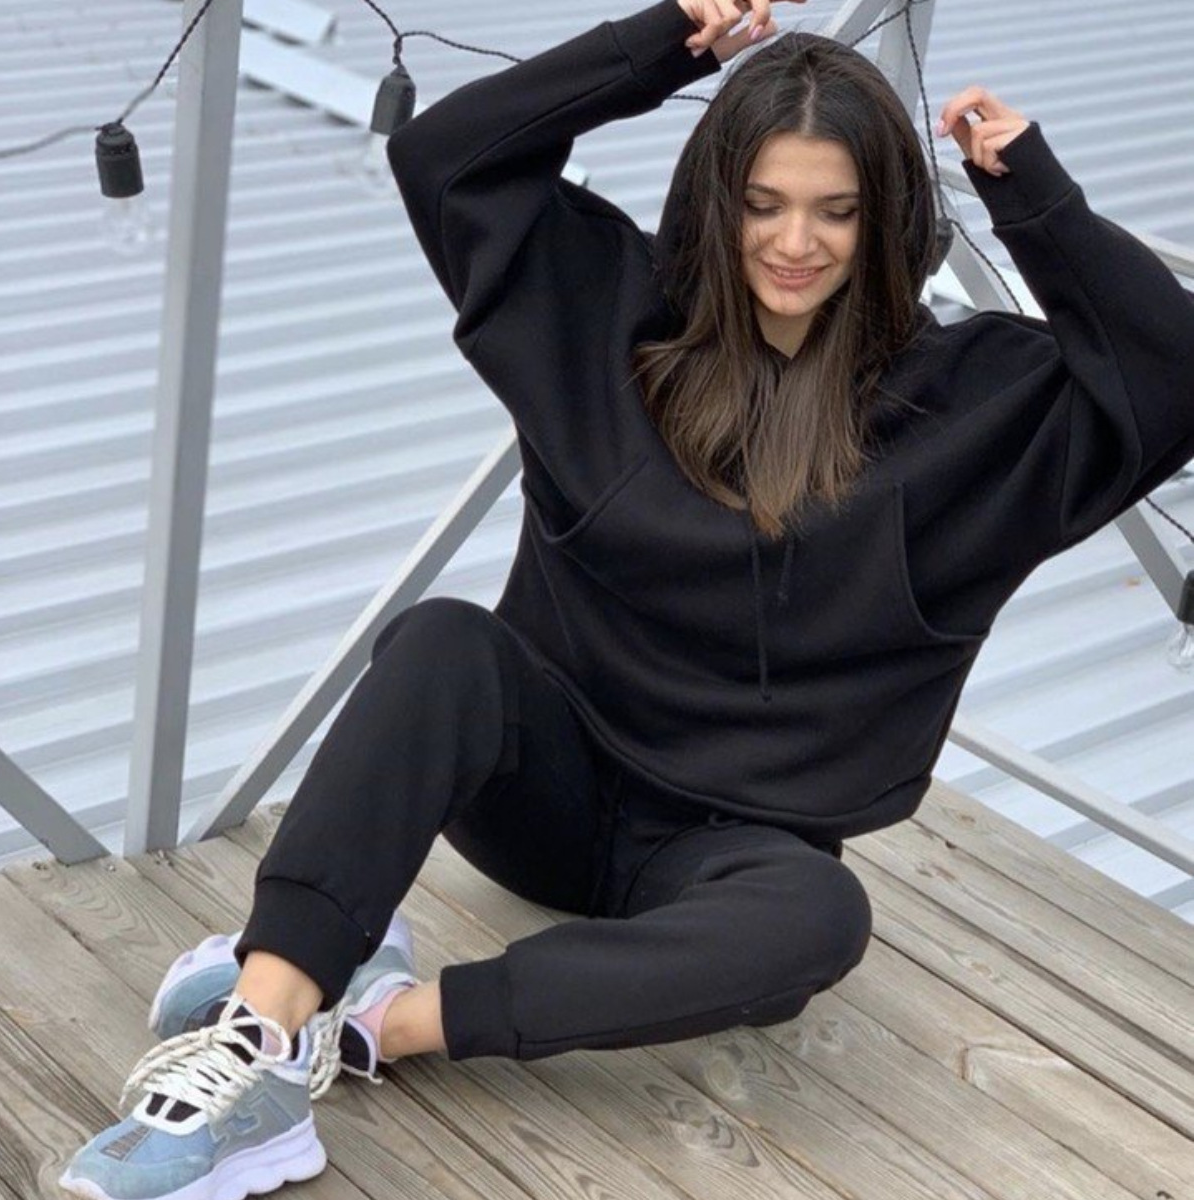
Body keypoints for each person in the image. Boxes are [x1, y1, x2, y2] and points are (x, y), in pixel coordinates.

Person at [61, 0, 1194, 1196]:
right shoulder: (610, 312)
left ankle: (376, 1022)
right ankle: (262, 1031)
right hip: (536, 796)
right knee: (442, 643)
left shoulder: (975, 408)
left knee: (819, 918)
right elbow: (447, 156)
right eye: (762, 203)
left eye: (836, 209)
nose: (795, 242)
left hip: (729, 856)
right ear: (715, 201)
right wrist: (663, 43)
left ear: (889, 217)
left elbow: (1171, 373)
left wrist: (1033, 194)